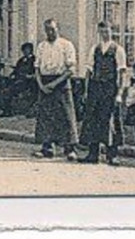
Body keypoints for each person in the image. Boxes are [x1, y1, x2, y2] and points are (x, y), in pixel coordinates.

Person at [79, 21, 129, 164]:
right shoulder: (94, 49)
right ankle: (92, 154)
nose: (105, 34)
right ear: (99, 33)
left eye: (107, 31)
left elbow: (122, 73)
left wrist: (119, 93)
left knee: (110, 120)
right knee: (92, 119)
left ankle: (112, 155)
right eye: (102, 32)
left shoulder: (118, 50)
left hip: (110, 88)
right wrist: (86, 91)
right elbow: (89, 71)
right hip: (95, 88)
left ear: (112, 31)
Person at [33, 19, 78, 159]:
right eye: (47, 30)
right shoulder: (41, 46)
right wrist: (41, 85)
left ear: (57, 28)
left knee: (65, 115)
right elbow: (37, 67)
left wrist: (55, 83)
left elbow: (71, 70)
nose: (50, 33)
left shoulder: (66, 45)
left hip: (61, 82)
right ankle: (47, 147)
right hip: (45, 81)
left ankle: (69, 149)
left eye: (52, 29)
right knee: (46, 115)